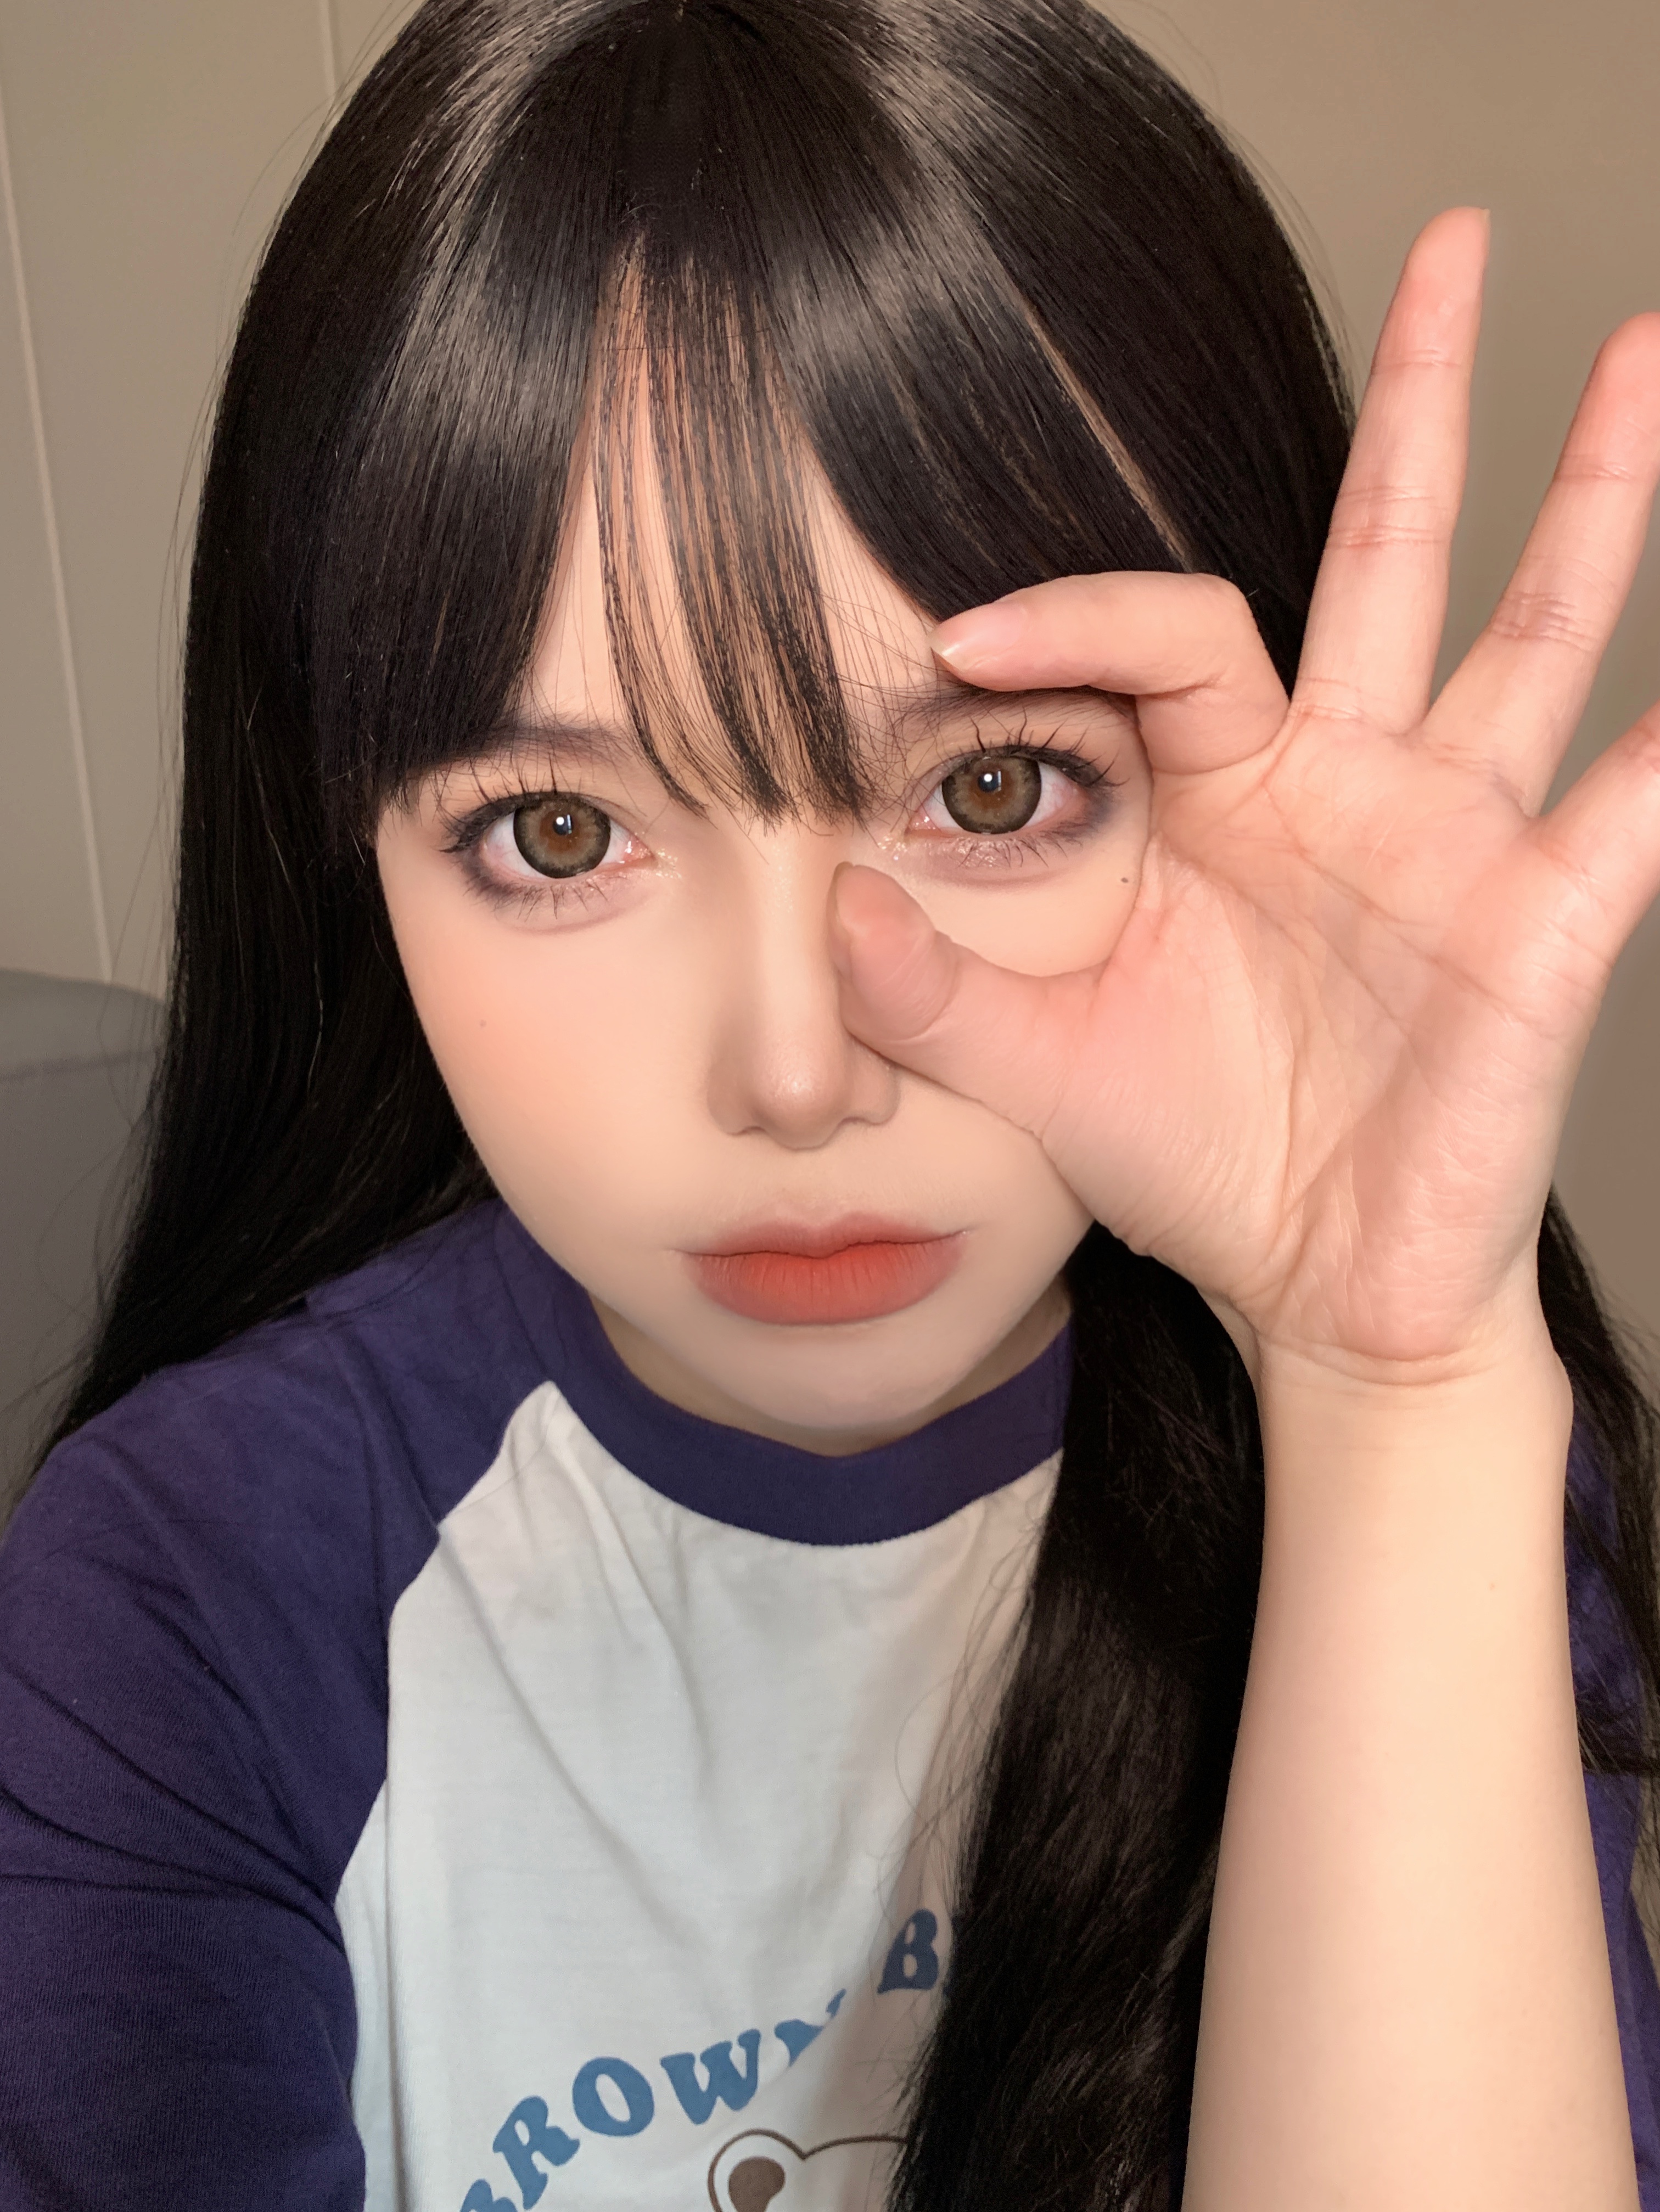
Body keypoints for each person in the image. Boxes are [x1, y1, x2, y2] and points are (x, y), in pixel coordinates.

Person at [1, 0, 1658, 2205]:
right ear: (350, 856)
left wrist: (1398, 1400)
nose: (798, 1072)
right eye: (562, 834)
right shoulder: (186, 1594)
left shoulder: (1413, 1493)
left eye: (995, 789)